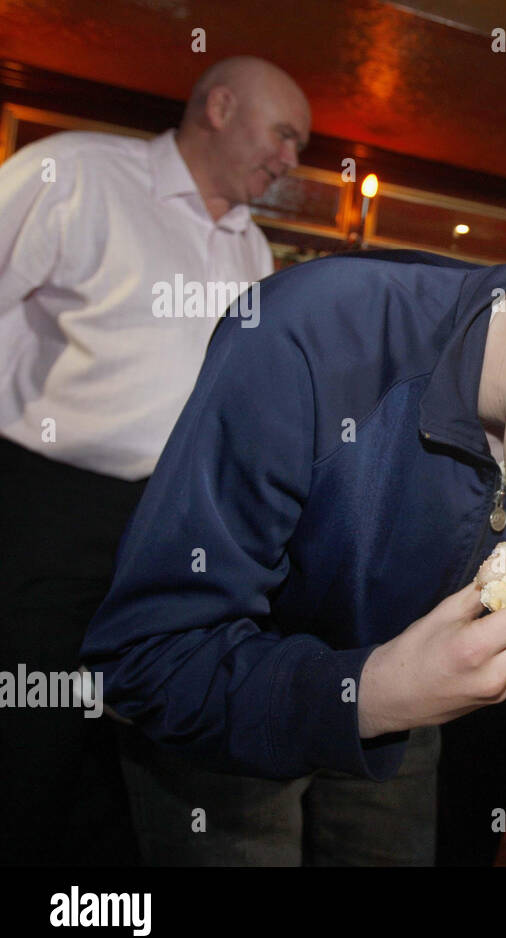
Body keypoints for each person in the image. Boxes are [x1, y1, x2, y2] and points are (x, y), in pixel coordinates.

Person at [81, 223, 506, 865]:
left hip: (407, 728)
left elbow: (469, 645)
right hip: (224, 724)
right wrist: (376, 693)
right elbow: (147, 659)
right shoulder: (308, 334)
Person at [0, 55, 310, 865]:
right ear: (219, 105)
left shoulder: (254, 250)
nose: (291, 160)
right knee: (29, 734)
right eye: (284, 135)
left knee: (130, 746)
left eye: (302, 146)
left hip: (169, 527)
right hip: (50, 508)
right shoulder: (74, 175)